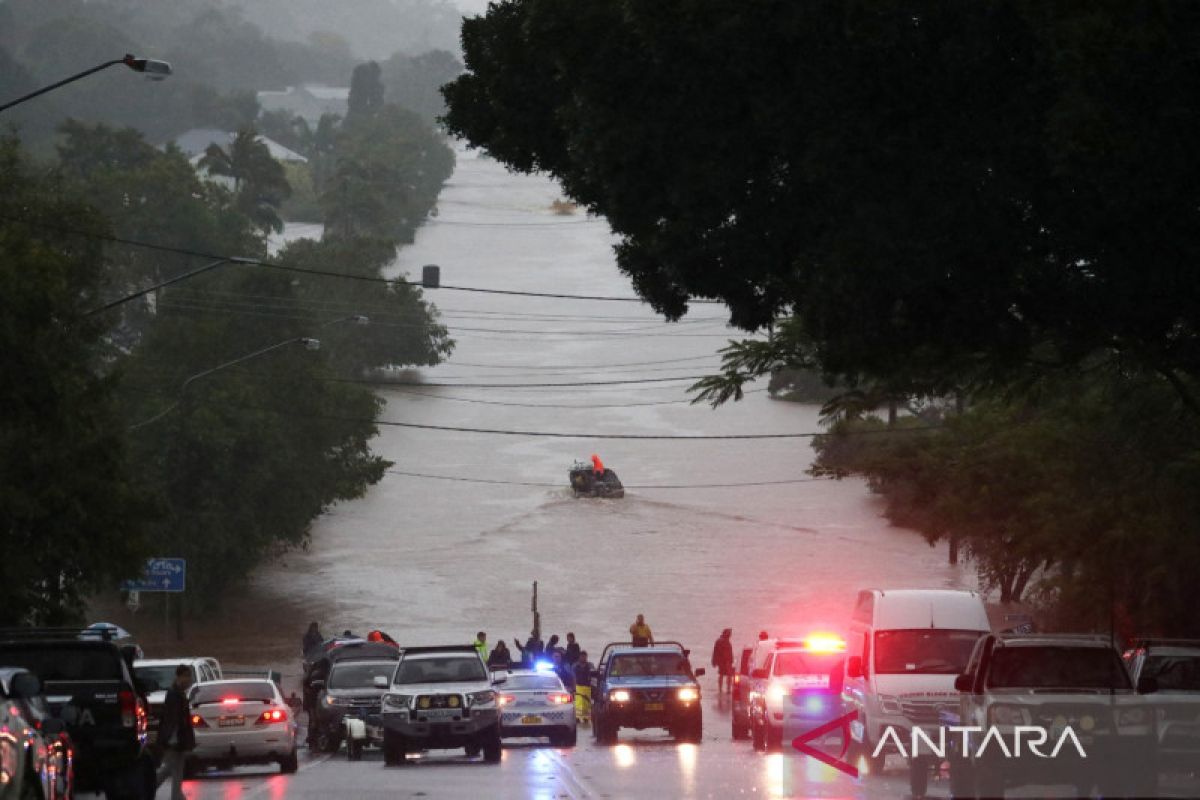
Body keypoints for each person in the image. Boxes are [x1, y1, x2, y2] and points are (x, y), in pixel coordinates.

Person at [155, 665, 195, 800]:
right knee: (170, 767)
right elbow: (173, 720)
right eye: (188, 677)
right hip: (174, 739)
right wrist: (174, 739)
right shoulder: (174, 694)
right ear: (180, 677)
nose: (189, 681)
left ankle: (177, 796)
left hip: (177, 738)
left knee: (177, 769)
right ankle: (148, 787)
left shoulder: (179, 693)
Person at [573, 650, 594, 723]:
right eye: (582, 656)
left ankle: (586, 718)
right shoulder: (575, 666)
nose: (583, 658)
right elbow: (573, 677)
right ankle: (578, 717)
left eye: (584, 656)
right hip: (578, 686)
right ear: (579, 657)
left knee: (586, 703)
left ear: (586, 657)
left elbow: (593, 676)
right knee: (578, 703)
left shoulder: (590, 665)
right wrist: (573, 687)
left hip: (587, 686)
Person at [712, 628, 735, 693]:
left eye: (730, 633)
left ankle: (721, 689)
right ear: (725, 633)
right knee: (728, 675)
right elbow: (726, 653)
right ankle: (727, 690)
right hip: (725, 661)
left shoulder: (720, 641)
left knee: (722, 675)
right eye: (729, 633)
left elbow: (715, 652)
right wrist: (728, 662)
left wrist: (714, 661)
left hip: (722, 662)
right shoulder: (724, 641)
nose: (730, 635)